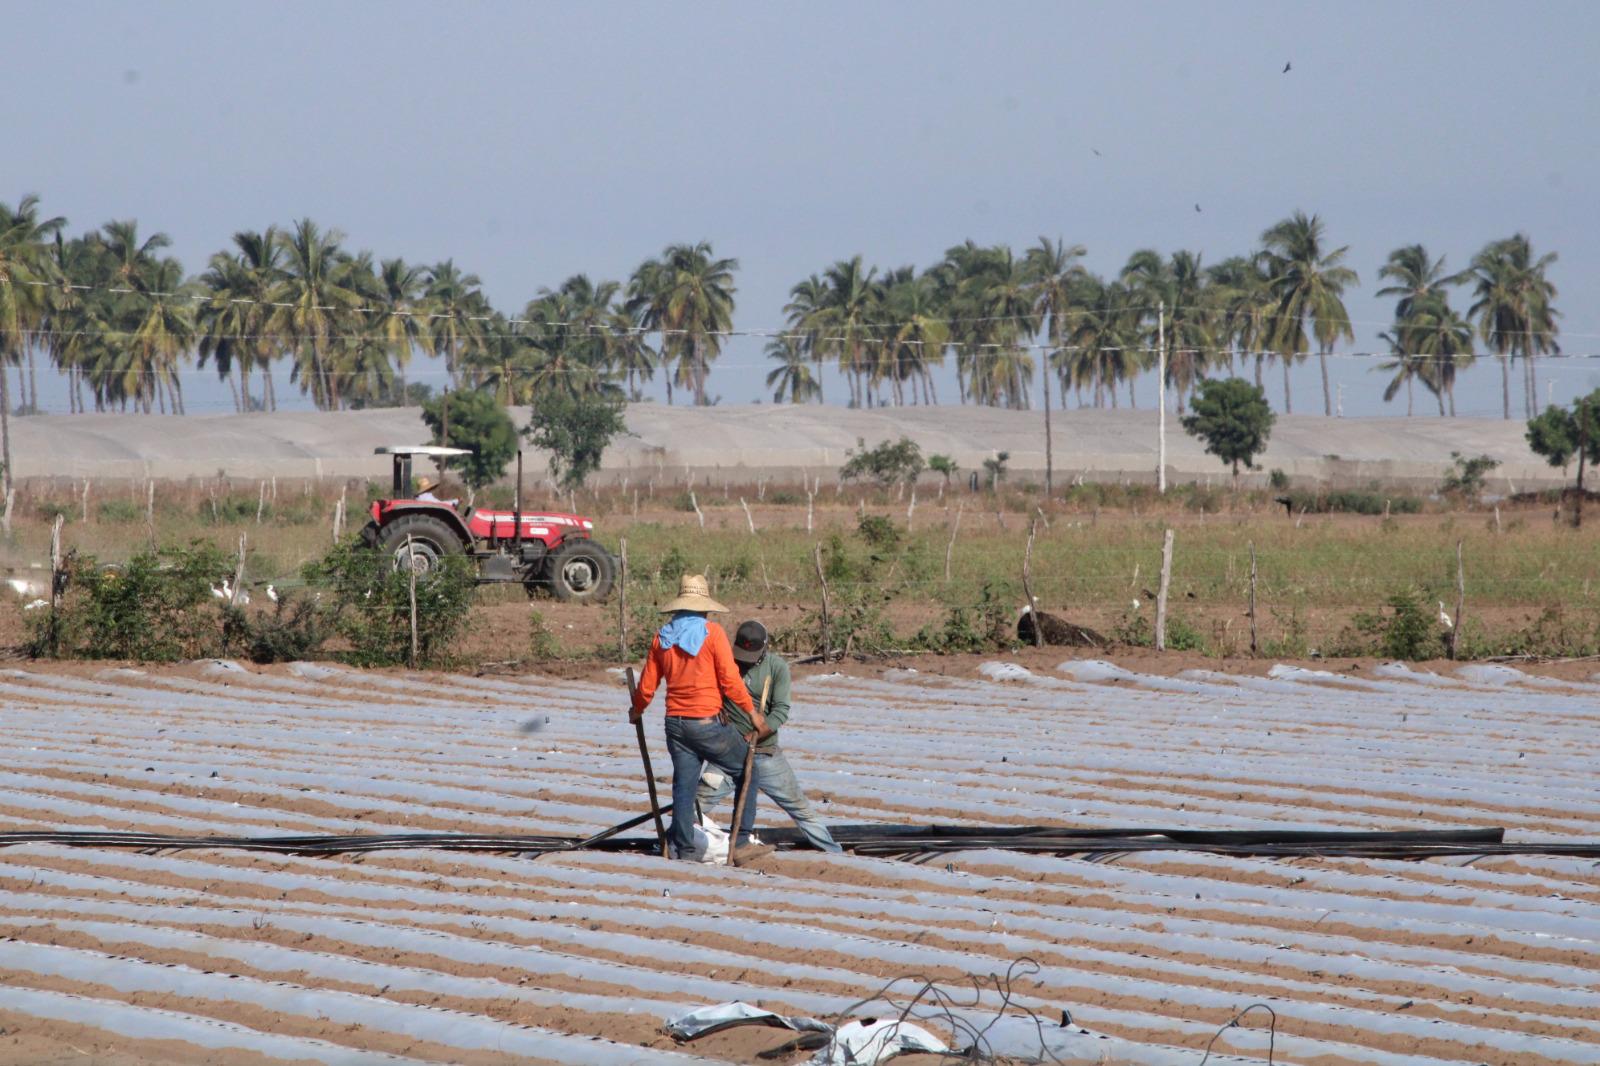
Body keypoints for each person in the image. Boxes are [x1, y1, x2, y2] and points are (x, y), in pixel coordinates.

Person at [630, 575, 773, 862]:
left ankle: (682, 847)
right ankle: (742, 840)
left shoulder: (663, 637)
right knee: (747, 770)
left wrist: (637, 710)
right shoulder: (713, 634)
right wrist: (753, 713)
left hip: (676, 724)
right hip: (705, 723)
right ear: (704, 608)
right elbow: (731, 681)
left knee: (684, 785)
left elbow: (647, 685)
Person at [698, 620, 842, 853]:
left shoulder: (776, 668)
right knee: (698, 804)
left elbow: (781, 710)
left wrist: (758, 732)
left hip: (765, 753)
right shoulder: (725, 663)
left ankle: (834, 853)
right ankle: (681, 844)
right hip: (727, 753)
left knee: (801, 810)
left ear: (764, 648)